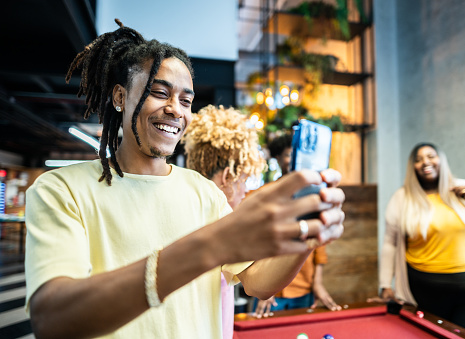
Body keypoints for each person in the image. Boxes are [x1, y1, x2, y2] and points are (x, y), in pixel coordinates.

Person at [24, 20, 346, 339]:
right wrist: (208, 246)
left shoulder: (204, 194)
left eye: (186, 101)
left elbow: (258, 282)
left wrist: (310, 231)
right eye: (159, 93)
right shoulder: (61, 191)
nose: (175, 110)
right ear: (120, 97)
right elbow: (53, 318)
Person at [369, 142, 465, 338]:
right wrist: (385, 285)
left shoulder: (464, 189)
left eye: (431, 156)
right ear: (413, 168)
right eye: (418, 159)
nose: (425, 162)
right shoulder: (402, 198)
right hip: (426, 295)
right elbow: (390, 244)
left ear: (441, 160)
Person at [182, 104, 266, 338]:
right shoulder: (222, 228)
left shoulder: (183, 209)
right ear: (228, 177)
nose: (244, 191)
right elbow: (262, 286)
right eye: (244, 181)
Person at [252, 134, 340, 318]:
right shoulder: (262, 196)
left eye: (296, 155)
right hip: (270, 293)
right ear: (276, 158)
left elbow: (319, 245)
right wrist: (263, 287)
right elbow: (255, 245)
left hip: (304, 288)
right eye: (287, 155)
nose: (293, 160)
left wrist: (317, 283)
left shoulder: (314, 196)